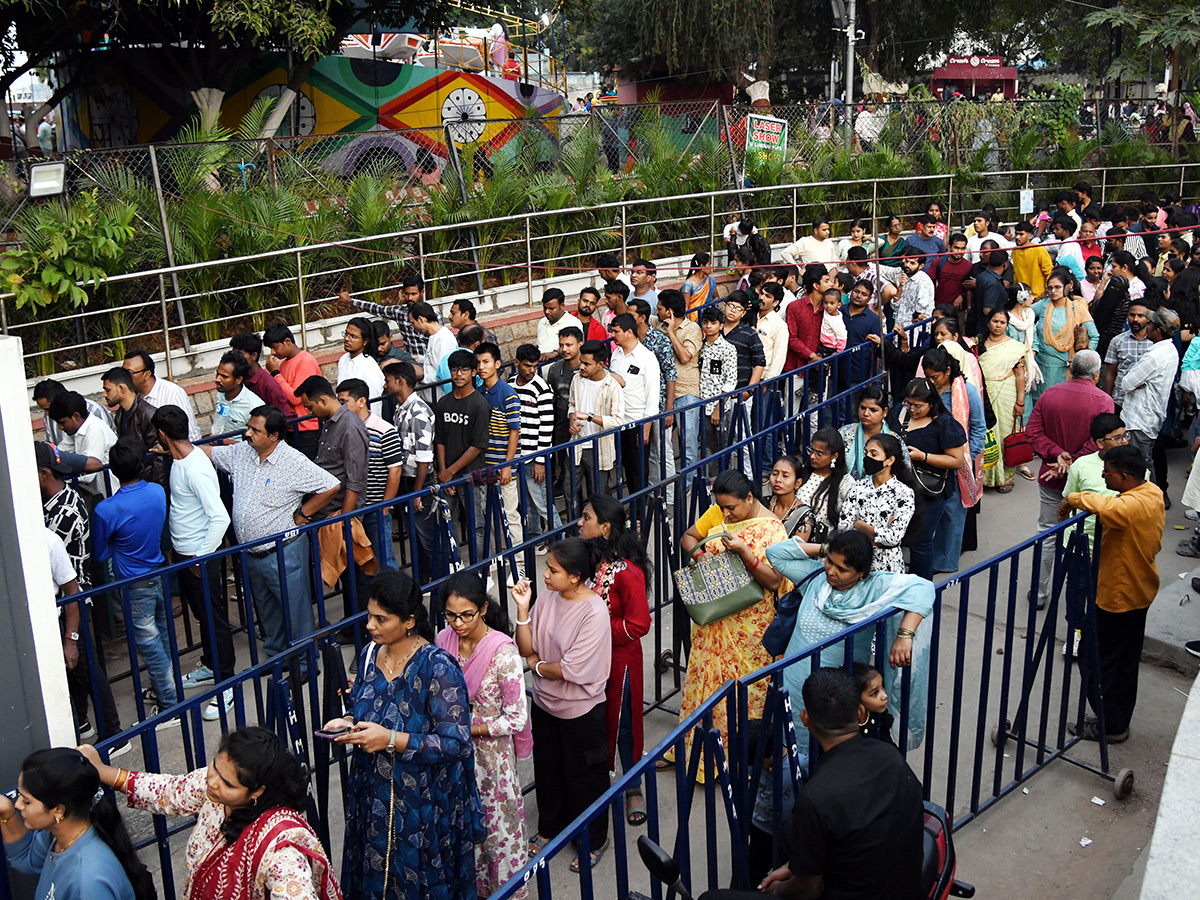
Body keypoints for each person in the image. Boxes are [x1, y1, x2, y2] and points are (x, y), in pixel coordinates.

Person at [324, 569, 483, 900]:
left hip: (421, 807)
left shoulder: (437, 667)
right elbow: (362, 704)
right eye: (369, 616)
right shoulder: (370, 654)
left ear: (409, 621)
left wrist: (391, 739)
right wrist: (348, 722)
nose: (370, 626)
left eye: (381, 619)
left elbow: (456, 743)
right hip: (373, 794)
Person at [698, 667, 923, 900]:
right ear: (859, 712)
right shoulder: (890, 756)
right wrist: (800, 866)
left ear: (805, 719)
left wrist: (778, 889)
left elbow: (808, 889)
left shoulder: (816, 797)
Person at [81, 727, 342, 900]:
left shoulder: (280, 849)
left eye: (228, 783)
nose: (213, 782)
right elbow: (171, 791)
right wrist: (102, 771)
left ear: (257, 792)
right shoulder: (214, 792)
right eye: (214, 768)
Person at [667, 471, 791, 778]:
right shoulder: (719, 513)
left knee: (744, 695)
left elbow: (775, 582)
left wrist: (746, 554)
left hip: (750, 630)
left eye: (732, 508)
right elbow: (689, 537)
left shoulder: (773, 531)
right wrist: (701, 557)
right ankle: (696, 755)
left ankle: (741, 760)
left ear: (750, 498)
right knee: (703, 686)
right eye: (721, 507)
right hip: (714, 621)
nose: (725, 514)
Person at [765, 531, 935, 754]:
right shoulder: (816, 578)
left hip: (834, 698)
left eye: (842, 569)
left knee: (827, 758)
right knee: (789, 750)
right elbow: (775, 554)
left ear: (861, 573)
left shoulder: (874, 589)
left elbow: (924, 588)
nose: (831, 572)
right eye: (830, 562)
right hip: (793, 685)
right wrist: (826, 549)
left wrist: (905, 634)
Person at [206, 406, 340, 679]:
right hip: (253, 553)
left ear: (274, 435)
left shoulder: (293, 461)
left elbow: (330, 485)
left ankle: (305, 665)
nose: (248, 434)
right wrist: (179, 446)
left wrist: (304, 513)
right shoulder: (242, 452)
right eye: (250, 427)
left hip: (283, 551)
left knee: (295, 609)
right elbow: (210, 453)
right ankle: (278, 657)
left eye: (255, 430)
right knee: (266, 610)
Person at [513, 539, 612, 871]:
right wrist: (523, 610)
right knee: (549, 769)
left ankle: (593, 838)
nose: (545, 574)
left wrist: (537, 666)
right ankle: (550, 827)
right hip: (544, 703)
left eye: (553, 569)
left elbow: (570, 669)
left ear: (574, 577)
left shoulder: (593, 611)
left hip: (580, 710)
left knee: (584, 776)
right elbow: (525, 646)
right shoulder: (548, 597)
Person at [1058, 445, 1164, 742]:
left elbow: (1109, 508)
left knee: (1096, 660)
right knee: (1125, 661)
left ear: (1126, 476)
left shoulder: (1128, 507)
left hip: (1119, 596)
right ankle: (1116, 719)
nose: (1104, 477)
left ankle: (1111, 725)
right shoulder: (1151, 492)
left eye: (1108, 473)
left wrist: (1072, 498)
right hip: (1138, 590)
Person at [433, 573, 529, 897]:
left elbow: (516, 718)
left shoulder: (503, 653)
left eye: (466, 615)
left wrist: (469, 730)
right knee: (462, 834)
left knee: (496, 833)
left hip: (492, 763)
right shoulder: (442, 642)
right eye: (450, 615)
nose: (457, 623)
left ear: (483, 609)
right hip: (453, 759)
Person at [153, 405, 235, 721]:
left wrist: (200, 555)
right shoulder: (180, 460)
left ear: (163, 434)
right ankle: (211, 666)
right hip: (187, 555)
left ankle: (227, 684)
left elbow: (219, 517)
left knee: (214, 619)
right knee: (203, 616)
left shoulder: (194, 467)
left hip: (201, 558)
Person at [577, 496, 652, 825]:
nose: (580, 523)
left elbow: (639, 624)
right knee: (594, 722)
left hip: (619, 661)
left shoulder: (628, 573)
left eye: (586, 518)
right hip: (590, 660)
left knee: (622, 724)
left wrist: (597, 628)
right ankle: (600, 782)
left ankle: (633, 785)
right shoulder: (590, 559)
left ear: (605, 527)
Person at [92, 437, 176, 720]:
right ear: (141, 466)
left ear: (114, 471)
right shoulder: (156, 492)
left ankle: (170, 704)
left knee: (150, 647)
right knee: (163, 637)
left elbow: (100, 553)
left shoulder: (106, 509)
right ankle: (165, 690)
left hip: (133, 583)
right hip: (158, 573)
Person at [0, 747, 154, 900]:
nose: (18, 805)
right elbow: (26, 859)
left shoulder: (88, 882)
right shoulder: (58, 833)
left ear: (58, 810)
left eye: (27, 801)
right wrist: (7, 812)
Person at [1026, 350, 1114, 608]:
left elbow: (1033, 431)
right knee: (1087, 534)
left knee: (1048, 533)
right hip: (1088, 481)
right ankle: (1081, 597)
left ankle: (1039, 594)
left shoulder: (1050, 394)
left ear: (1071, 369)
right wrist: (1073, 460)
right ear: (1096, 374)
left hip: (1052, 475)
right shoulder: (1103, 400)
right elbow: (1100, 441)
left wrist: (1058, 455)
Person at [296, 376, 374, 595]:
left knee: (355, 580)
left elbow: (354, 480)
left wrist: (344, 520)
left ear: (322, 400)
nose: (309, 412)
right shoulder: (330, 424)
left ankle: (359, 627)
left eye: (309, 407)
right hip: (330, 512)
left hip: (341, 514)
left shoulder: (349, 427)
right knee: (347, 579)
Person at [888, 378, 967, 580]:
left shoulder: (945, 424)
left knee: (921, 542)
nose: (912, 410)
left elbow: (957, 461)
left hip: (929, 493)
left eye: (918, 406)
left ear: (931, 404)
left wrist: (923, 456)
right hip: (897, 489)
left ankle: (920, 589)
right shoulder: (898, 413)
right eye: (909, 404)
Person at [337, 379, 403, 571]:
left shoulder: (384, 430)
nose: (341, 408)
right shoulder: (344, 430)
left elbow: (395, 470)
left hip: (376, 507)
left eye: (344, 402)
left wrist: (385, 506)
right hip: (355, 507)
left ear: (361, 401)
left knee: (384, 559)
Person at [382, 360, 437, 582]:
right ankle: (424, 578)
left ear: (400, 381)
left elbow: (424, 457)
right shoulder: (400, 409)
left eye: (387, 381)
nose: (384, 386)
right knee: (415, 535)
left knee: (427, 537)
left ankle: (436, 578)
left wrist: (416, 493)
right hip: (408, 480)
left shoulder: (419, 413)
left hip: (418, 482)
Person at [434, 350, 492, 562]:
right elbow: (439, 439)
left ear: (474, 372)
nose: (459, 374)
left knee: (475, 523)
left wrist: (451, 471)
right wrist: (443, 471)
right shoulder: (444, 403)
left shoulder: (479, 405)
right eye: (455, 369)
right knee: (447, 522)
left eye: (464, 370)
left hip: (470, 474)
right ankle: (454, 564)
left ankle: (481, 567)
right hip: (447, 474)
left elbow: (477, 445)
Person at [1118, 307, 1180, 490]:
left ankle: (1149, 503)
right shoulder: (1170, 349)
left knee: (1140, 465)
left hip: (1140, 419)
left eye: (1151, 323)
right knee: (1145, 462)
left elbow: (1126, 383)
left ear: (1157, 330)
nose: (1148, 326)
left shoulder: (1154, 356)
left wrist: (1136, 382)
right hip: (1150, 417)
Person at [475, 342, 524, 570]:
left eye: (486, 362)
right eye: (478, 363)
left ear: (497, 364)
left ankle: (519, 561)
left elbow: (515, 431)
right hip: (486, 466)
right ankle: (500, 556)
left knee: (510, 514)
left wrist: (508, 465)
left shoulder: (507, 394)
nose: (481, 367)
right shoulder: (480, 393)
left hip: (503, 465)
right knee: (490, 513)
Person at [837, 433, 917, 573]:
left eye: (874, 454)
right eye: (866, 453)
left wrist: (860, 525)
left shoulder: (903, 493)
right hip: (857, 561)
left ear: (889, 460)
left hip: (888, 565)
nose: (867, 457)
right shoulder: (858, 487)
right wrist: (878, 533)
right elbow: (844, 526)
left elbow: (893, 537)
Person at [512, 344, 560, 549]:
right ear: (516, 364)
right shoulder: (510, 385)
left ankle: (561, 541)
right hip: (518, 456)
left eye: (534, 366)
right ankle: (535, 536)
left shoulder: (542, 389)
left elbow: (547, 428)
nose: (532, 370)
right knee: (527, 501)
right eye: (527, 366)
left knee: (542, 503)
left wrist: (540, 461)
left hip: (534, 457)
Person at [568, 339, 626, 506]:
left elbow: (618, 420)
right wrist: (572, 417)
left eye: (587, 364)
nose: (582, 367)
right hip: (577, 444)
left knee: (599, 493)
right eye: (581, 362)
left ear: (600, 365)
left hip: (599, 447)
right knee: (570, 488)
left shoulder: (612, 387)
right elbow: (572, 405)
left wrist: (589, 417)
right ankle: (576, 527)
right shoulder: (577, 380)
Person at [609, 313, 660, 504]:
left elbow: (653, 395)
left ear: (629, 332)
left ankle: (640, 510)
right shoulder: (616, 355)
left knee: (638, 468)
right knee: (625, 467)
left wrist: (646, 427)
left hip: (637, 422)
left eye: (616, 331)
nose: (613, 335)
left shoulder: (647, 358)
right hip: (618, 421)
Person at [978, 307, 1030, 490]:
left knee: (1005, 433)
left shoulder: (1014, 348)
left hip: (1007, 393)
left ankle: (1005, 478)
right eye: (995, 321)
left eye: (1002, 322)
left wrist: (1020, 401)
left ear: (1007, 325)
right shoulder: (979, 344)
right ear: (988, 322)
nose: (998, 325)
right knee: (984, 434)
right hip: (983, 393)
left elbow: (1019, 375)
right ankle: (982, 478)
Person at [630, 297, 677, 483]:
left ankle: (670, 498)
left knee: (662, 451)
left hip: (659, 404)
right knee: (649, 453)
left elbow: (670, 374)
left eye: (630, 314)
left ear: (641, 318)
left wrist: (669, 409)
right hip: (638, 406)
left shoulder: (659, 340)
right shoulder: (630, 342)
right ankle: (654, 493)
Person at [1032, 272, 1098, 399]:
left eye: (1057, 287)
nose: (1053, 291)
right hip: (1043, 366)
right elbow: (1023, 316)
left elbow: (1094, 336)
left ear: (1068, 287)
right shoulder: (1042, 305)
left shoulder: (1078, 308)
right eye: (1050, 288)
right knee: (1044, 402)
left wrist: (1081, 358)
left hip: (1067, 366)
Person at [658, 290, 704, 472]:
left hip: (687, 392)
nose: (656, 311)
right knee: (663, 443)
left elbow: (685, 356)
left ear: (669, 312)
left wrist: (671, 332)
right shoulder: (658, 325)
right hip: (665, 394)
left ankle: (688, 486)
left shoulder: (693, 329)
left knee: (688, 443)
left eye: (660, 308)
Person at [263, 324, 323, 459]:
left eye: (275, 347)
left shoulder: (305, 361)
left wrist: (275, 373)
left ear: (287, 341)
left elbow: (296, 398)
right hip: (292, 428)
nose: (273, 352)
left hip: (308, 429)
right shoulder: (283, 365)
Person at [45, 390, 117, 498]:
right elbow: (60, 452)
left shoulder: (95, 429)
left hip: (110, 494)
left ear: (76, 416)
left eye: (62, 422)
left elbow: (88, 474)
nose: (60, 427)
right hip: (94, 493)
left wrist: (59, 478)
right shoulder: (74, 430)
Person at [101, 367, 166, 487]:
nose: (104, 394)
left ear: (121, 388)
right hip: (135, 483)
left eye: (108, 390)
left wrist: (156, 490)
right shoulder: (120, 415)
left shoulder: (147, 414)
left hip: (148, 486)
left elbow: (159, 458)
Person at [350, 274, 430, 366]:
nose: (409, 298)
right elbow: (377, 309)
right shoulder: (399, 313)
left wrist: (422, 359)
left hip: (429, 364)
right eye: (407, 294)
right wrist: (351, 301)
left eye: (413, 294)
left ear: (422, 292)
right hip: (409, 364)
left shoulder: (433, 316)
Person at [123, 349, 201, 441]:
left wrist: (169, 449)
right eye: (122, 372)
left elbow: (192, 435)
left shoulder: (173, 393)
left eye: (129, 373)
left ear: (146, 374)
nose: (123, 377)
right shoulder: (129, 396)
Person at [794, 427, 851, 541]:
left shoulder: (845, 483)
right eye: (811, 450)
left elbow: (847, 523)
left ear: (835, 456)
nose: (812, 456)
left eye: (819, 453)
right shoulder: (804, 472)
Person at [697, 307, 738, 463]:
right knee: (707, 447)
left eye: (713, 323)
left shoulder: (728, 349)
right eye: (705, 322)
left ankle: (721, 481)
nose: (708, 326)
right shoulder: (700, 347)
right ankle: (709, 482)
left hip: (719, 406)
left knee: (721, 448)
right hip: (701, 403)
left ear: (721, 325)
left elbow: (731, 381)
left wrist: (718, 408)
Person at [839, 385, 898, 480]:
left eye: (873, 410)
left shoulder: (894, 440)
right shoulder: (844, 433)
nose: (866, 413)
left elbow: (902, 473)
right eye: (862, 408)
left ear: (885, 412)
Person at [34, 379, 115, 446]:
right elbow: (53, 447)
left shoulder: (96, 411)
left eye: (48, 409)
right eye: (44, 410)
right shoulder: (49, 416)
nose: (47, 414)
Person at [335, 318, 386, 415]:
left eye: (353, 336)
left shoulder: (370, 368)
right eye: (346, 334)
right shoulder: (343, 359)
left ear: (365, 341)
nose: (347, 339)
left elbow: (374, 406)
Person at [229, 332, 290, 411]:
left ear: (254, 356)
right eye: (234, 353)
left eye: (240, 354)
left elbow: (287, 417)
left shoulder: (269, 385)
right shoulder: (238, 379)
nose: (235, 358)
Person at [211, 351, 264, 440]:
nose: (217, 379)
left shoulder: (254, 406)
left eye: (224, 376)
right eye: (217, 374)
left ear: (238, 380)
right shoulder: (221, 393)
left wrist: (224, 442)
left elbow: (260, 442)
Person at [410, 303, 456, 387]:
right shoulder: (433, 335)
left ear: (421, 319)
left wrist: (421, 376)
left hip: (438, 396)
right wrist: (420, 359)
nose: (414, 327)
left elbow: (443, 374)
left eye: (413, 323)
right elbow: (435, 361)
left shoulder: (443, 340)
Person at [853, 660, 895, 746]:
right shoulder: (849, 728)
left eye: (882, 687)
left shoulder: (879, 716)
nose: (884, 696)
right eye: (875, 693)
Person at [891, 250, 935, 327]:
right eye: (907, 261)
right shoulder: (904, 277)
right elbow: (895, 305)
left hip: (915, 330)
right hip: (899, 327)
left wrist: (913, 320)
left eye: (912, 263)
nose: (907, 265)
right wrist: (900, 287)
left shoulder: (924, 281)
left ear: (921, 266)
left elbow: (921, 307)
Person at [537, 289, 584, 361]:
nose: (547, 312)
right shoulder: (542, 322)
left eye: (551, 309)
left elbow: (575, 349)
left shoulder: (573, 323)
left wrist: (555, 353)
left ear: (562, 306)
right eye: (545, 308)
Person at [681, 252, 717, 320]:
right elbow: (686, 307)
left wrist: (710, 307)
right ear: (702, 266)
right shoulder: (688, 284)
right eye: (709, 264)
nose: (711, 266)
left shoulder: (711, 280)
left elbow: (716, 296)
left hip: (709, 316)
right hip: (694, 318)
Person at [818, 288, 847, 354]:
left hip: (831, 348)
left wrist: (839, 352)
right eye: (826, 303)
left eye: (832, 303)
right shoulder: (825, 311)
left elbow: (842, 337)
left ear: (839, 304)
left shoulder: (837, 321)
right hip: (822, 344)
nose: (828, 306)